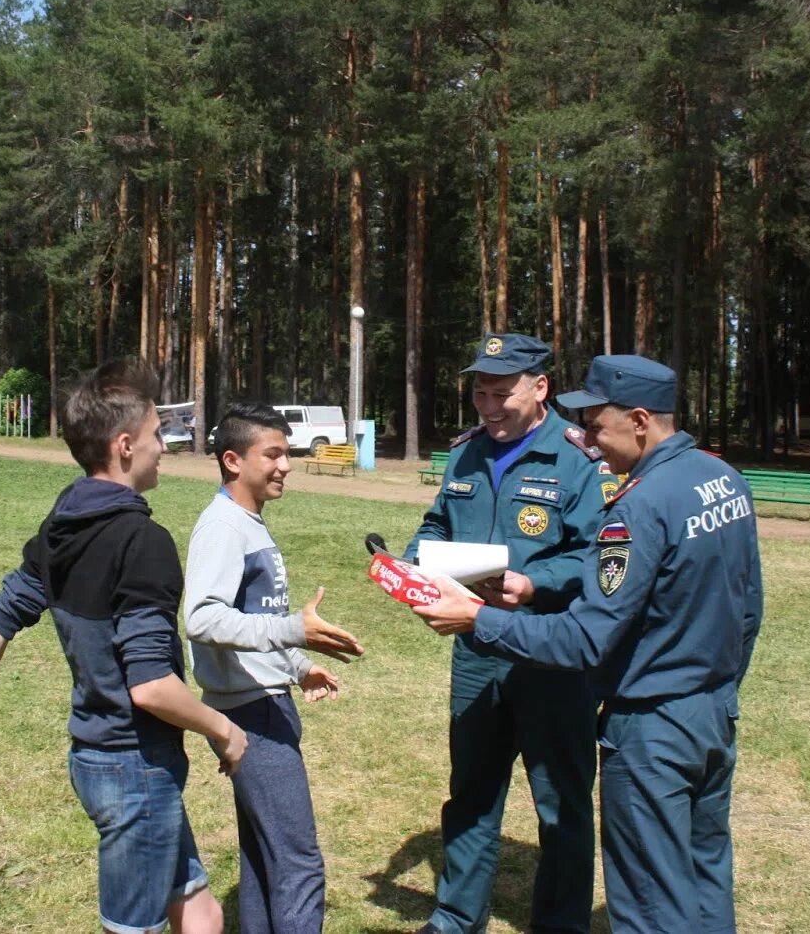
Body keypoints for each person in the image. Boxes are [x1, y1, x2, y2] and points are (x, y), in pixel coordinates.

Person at [0, 360, 247, 934]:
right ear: (125, 445)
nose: (164, 447)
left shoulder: (63, 521)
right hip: (135, 770)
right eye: (157, 435)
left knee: (200, 910)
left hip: (93, 759)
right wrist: (225, 731)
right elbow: (151, 685)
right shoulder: (144, 542)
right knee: (134, 927)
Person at [413, 354, 765, 934]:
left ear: (642, 421)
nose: (593, 440)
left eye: (599, 425)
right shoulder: (721, 479)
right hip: (710, 711)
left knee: (651, 894)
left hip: (650, 722)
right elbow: (749, 604)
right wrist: (720, 687)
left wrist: (480, 619)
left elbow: (583, 637)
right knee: (703, 875)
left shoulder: (639, 505)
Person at [406, 334, 618, 934]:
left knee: (562, 807)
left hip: (551, 654)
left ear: (540, 388)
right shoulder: (467, 454)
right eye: (480, 391)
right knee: (471, 793)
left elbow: (600, 555)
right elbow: (437, 523)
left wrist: (535, 583)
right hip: (477, 653)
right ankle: (455, 918)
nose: (489, 407)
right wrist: (411, 563)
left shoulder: (579, 458)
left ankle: (561, 925)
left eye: (503, 393)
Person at [183, 402, 366, 934]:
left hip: (264, 702)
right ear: (233, 460)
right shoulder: (222, 527)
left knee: (264, 853)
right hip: (250, 715)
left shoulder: (248, 523)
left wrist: (298, 664)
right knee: (298, 862)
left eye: (287, 453)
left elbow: (254, 618)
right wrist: (291, 632)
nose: (286, 464)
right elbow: (202, 618)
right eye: (275, 454)